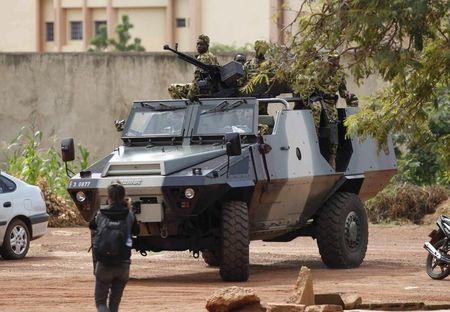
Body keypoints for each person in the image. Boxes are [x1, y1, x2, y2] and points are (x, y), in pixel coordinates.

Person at [89, 183, 139, 312]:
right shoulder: (129, 215)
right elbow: (136, 231)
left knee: (100, 302)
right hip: (123, 265)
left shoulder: (101, 214)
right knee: (114, 305)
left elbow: (91, 226)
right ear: (123, 197)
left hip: (104, 264)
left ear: (108, 197)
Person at [311, 53, 359, 169]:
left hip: (330, 102)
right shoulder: (319, 71)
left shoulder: (340, 74)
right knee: (315, 112)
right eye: (332, 62)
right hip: (317, 99)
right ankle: (313, 141)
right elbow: (310, 85)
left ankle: (332, 156)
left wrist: (348, 94)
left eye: (336, 61)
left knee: (333, 127)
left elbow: (342, 91)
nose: (334, 65)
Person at [168, 34, 218, 100]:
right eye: (197, 44)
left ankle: (181, 107)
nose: (198, 46)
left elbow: (197, 79)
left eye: (201, 44)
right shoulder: (212, 56)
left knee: (172, 88)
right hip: (208, 87)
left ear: (207, 46)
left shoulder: (203, 57)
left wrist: (190, 96)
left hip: (200, 88)